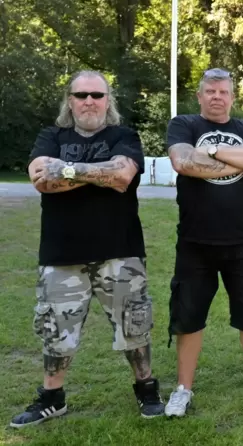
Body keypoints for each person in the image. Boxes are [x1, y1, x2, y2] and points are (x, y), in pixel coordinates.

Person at [11, 70, 164, 428]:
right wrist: (98, 174)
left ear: (108, 101)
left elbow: (123, 175)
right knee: (55, 333)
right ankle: (52, 398)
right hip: (61, 255)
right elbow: (41, 180)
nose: (89, 101)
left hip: (120, 251)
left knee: (134, 327)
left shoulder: (124, 135)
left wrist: (65, 170)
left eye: (97, 94)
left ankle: (147, 390)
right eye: (81, 95)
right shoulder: (51, 135)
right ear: (70, 101)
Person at [163, 68, 243, 416]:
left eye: (223, 91)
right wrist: (233, 160)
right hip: (194, 242)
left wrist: (211, 153)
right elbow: (183, 162)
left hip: (242, 243)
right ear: (199, 96)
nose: (217, 96)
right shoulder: (183, 125)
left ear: (232, 97)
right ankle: (183, 389)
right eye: (210, 91)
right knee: (188, 317)